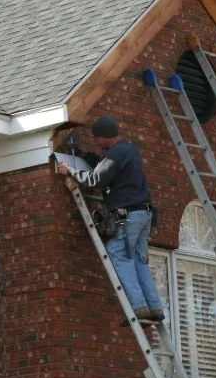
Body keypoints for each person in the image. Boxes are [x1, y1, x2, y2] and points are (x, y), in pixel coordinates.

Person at [56, 116, 164, 322]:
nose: (96, 142)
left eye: (97, 139)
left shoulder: (115, 153)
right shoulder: (128, 150)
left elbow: (96, 179)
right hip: (144, 214)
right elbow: (110, 168)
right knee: (139, 261)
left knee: (119, 255)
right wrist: (87, 157)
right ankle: (155, 307)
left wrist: (69, 169)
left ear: (104, 137)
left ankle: (139, 307)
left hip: (128, 215)